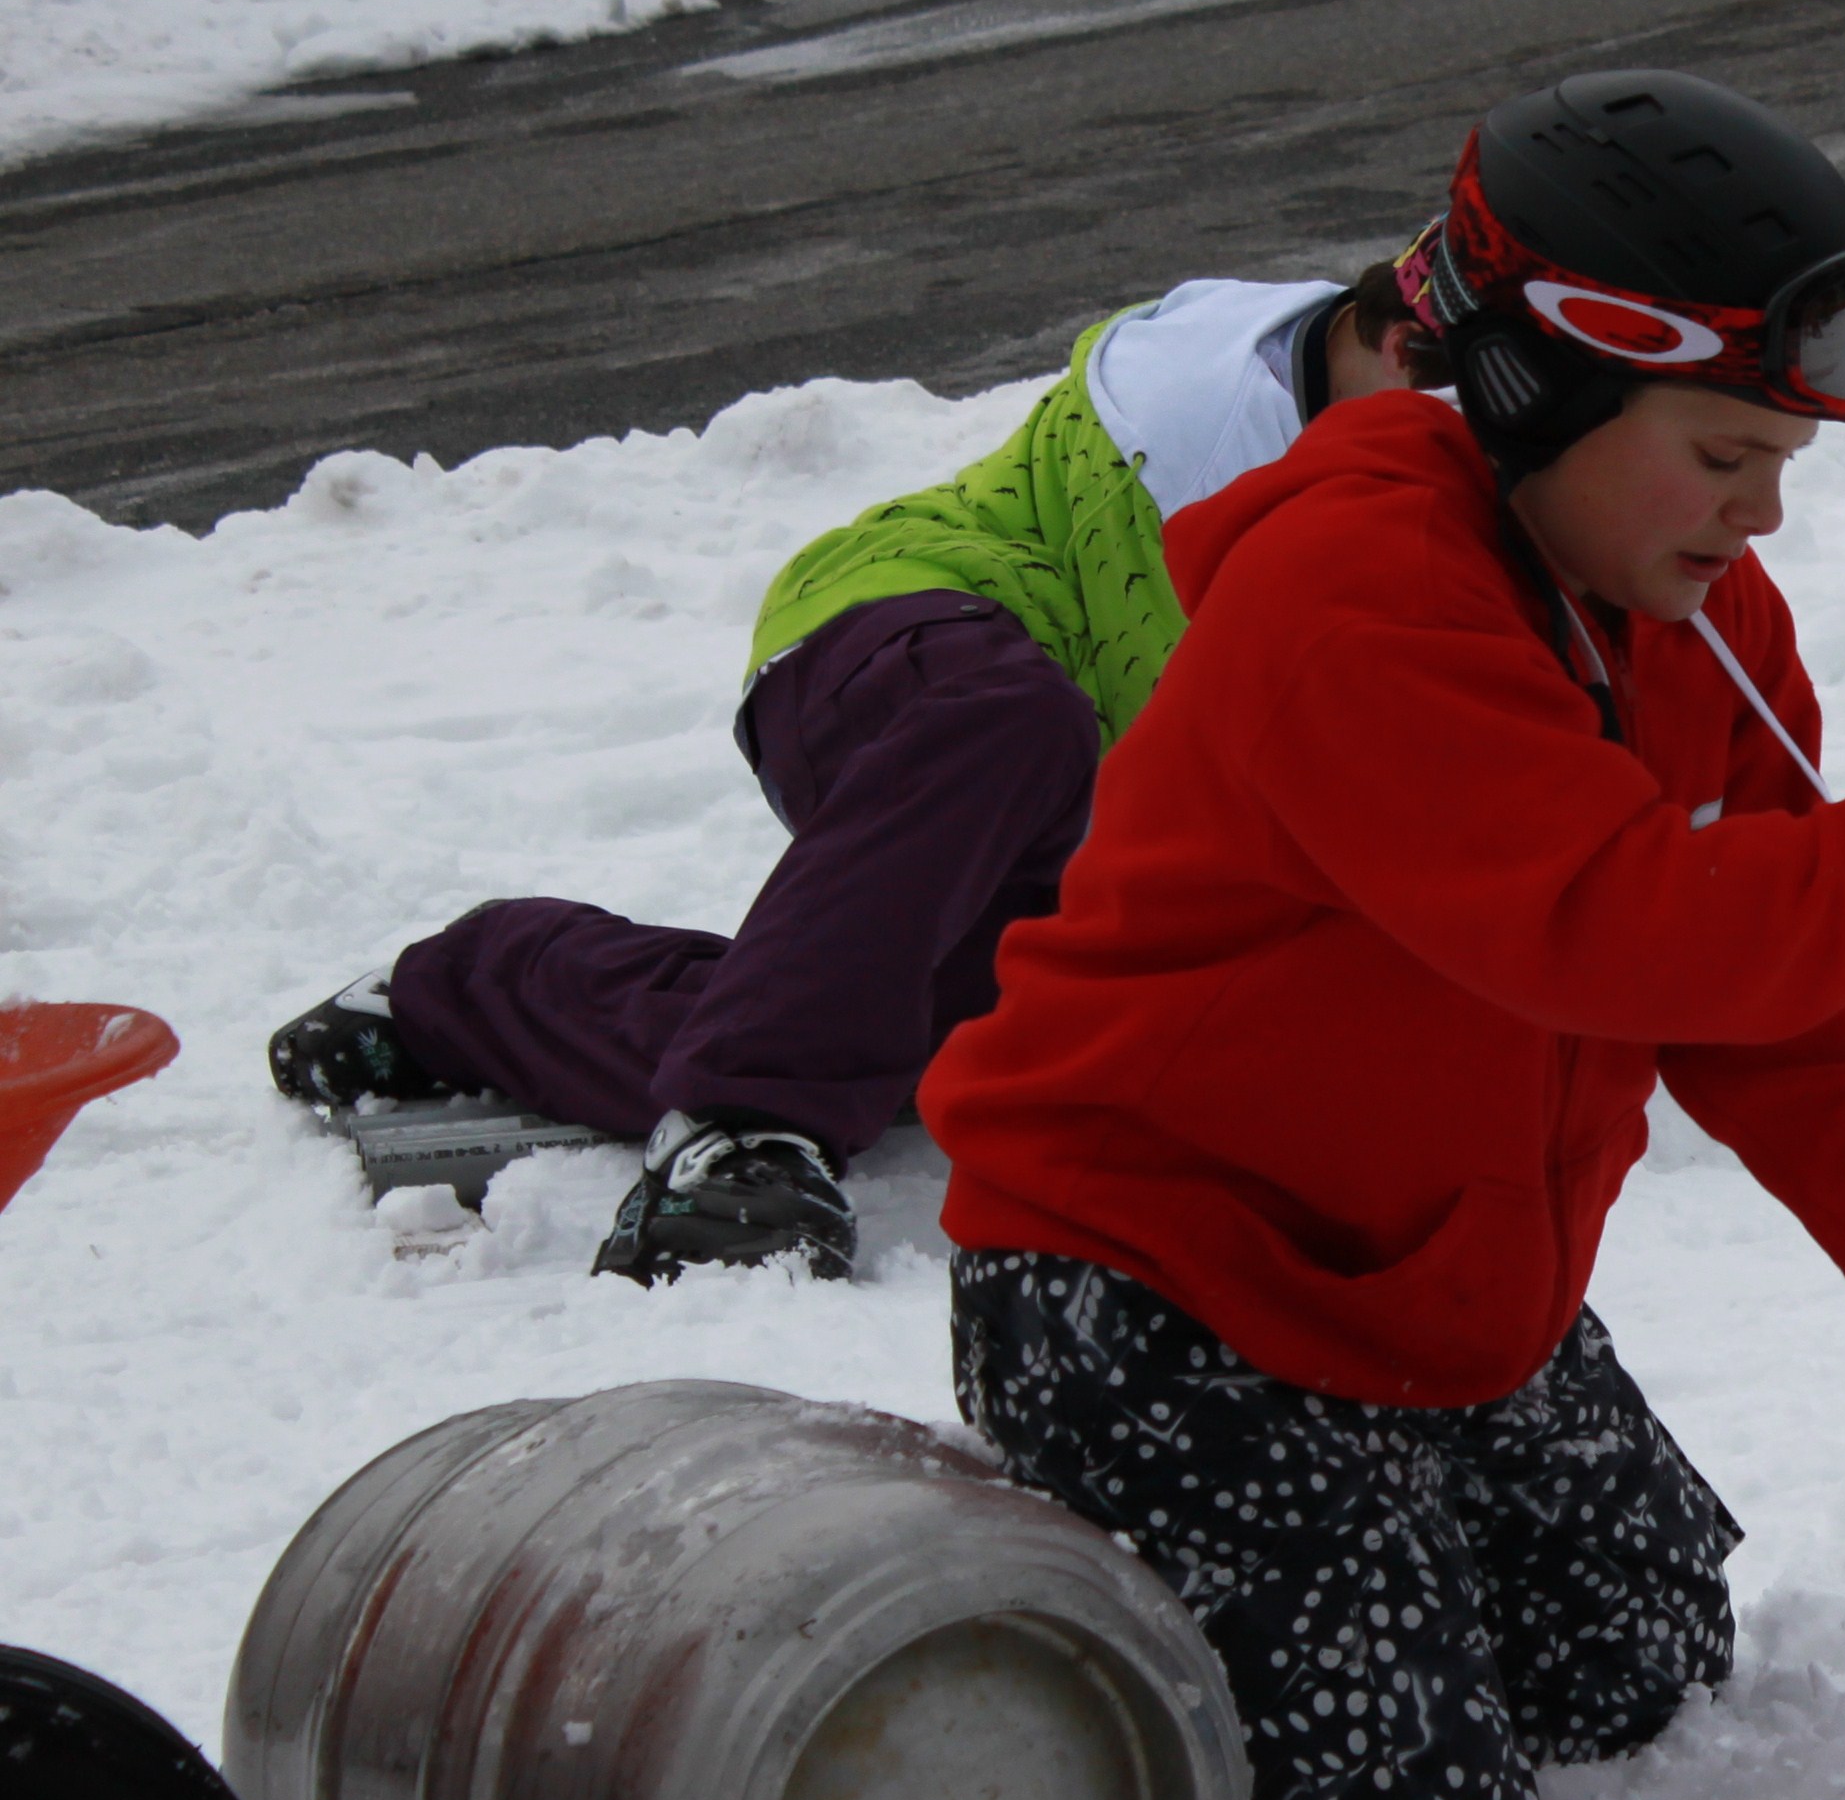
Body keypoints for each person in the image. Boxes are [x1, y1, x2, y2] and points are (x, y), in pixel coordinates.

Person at [919, 69, 1845, 1800]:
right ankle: (1068, 1711)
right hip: (1160, 1299)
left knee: (1642, 1669)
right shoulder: (1353, 595)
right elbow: (1622, 932)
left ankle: (1355, 1547)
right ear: (1542, 387)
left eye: (1782, 462)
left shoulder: (1696, 622)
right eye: (1722, 455)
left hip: (1439, 1293)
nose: (1761, 511)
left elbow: (1788, 1013)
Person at [263, 267, 1430, 1284]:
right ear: (1397, 344)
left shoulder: (1409, 485)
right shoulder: (1220, 376)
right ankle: (740, 1128)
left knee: (894, 1031)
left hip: (1061, 801)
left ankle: (463, 989)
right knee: (1016, 723)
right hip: (896, 633)